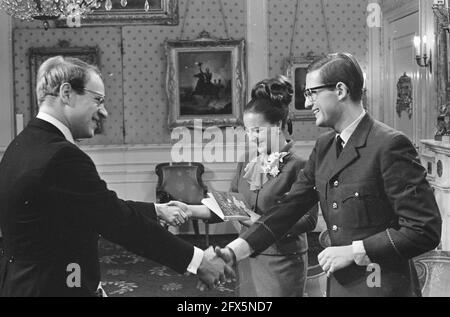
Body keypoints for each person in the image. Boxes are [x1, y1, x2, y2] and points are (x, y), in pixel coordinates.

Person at [0, 56, 233, 297]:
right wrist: (198, 260)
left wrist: (156, 211)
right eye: (98, 100)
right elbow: (117, 221)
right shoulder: (62, 156)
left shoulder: (24, 144)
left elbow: (93, 207)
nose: (105, 112)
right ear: (66, 93)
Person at [213, 53, 442, 297]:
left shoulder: (390, 145)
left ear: (340, 90)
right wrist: (232, 252)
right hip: (341, 286)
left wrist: (354, 251)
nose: (307, 102)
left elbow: (424, 229)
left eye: (312, 93)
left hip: (383, 287)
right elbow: (287, 209)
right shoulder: (324, 147)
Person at [229, 76, 318, 297]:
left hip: (283, 259)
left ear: (278, 125)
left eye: (257, 130)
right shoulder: (246, 159)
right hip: (248, 252)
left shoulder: (299, 165)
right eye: (247, 130)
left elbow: (309, 220)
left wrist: (258, 221)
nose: (251, 137)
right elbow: (232, 196)